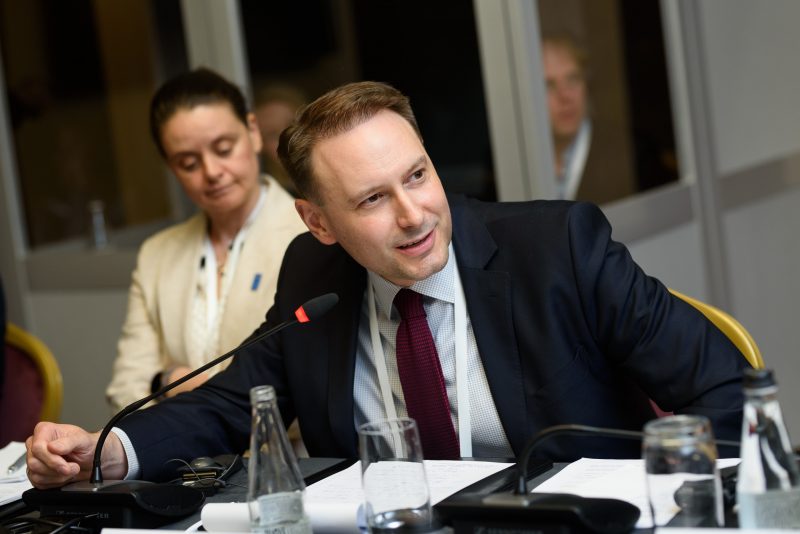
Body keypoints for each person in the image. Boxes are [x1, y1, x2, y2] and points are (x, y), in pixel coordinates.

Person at [27, 81, 746, 488]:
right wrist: (108, 451)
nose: (414, 215)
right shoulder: (313, 275)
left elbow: (727, 392)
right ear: (318, 221)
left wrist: (661, 494)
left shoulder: (557, 248)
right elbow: (225, 403)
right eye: (372, 199)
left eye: (418, 176)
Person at [104, 68, 306, 413]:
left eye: (224, 149)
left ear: (253, 132)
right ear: (170, 167)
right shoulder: (157, 254)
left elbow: (306, 389)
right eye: (188, 163)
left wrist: (177, 386)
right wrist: (166, 380)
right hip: (176, 446)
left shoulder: (307, 235)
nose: (211, 172)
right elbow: (126, 387)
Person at [542, 34, 634, 204]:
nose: (565, 96)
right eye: (549, 85)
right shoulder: (519, 161)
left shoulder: (629, 152)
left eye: (573, 79)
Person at [253, 84, 307, 197]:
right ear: (261, 146)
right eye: (272, 134)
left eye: (292, 125)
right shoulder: (270, 198)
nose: (287, 138)